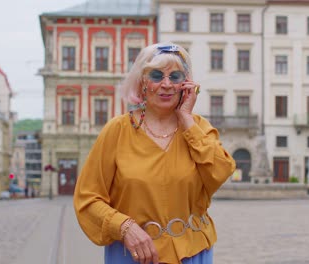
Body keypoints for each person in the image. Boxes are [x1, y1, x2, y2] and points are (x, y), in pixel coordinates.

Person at [73, 42, 236, 264]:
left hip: (192, 252)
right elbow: (87, 198)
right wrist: (123, 226)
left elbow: (220, 171)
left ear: (186, 85)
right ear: (142, 83)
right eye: (157, 75)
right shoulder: (117, 130)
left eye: (176, 77)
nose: (166, 84)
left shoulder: (198, 127)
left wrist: (187, 119)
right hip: (134, 255)